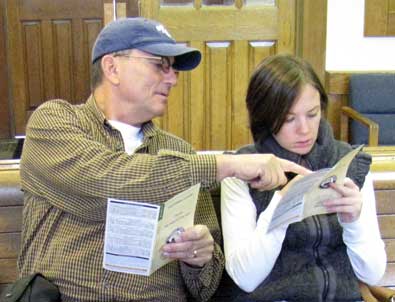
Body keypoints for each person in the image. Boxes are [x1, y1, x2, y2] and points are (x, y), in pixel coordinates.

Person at [18, 18, 309, 302]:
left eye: (173, 70)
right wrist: (226, 164)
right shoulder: (55, 122)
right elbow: (109, 179)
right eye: (160, 65)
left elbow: (206, 287)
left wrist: (199, 257)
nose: (173, 78)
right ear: (112, 67)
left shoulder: (179, 151)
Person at [221, 54, 387, 302]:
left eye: (312, 114)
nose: (305, 130)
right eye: (289, 119)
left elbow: (372, 274)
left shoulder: (350, 162)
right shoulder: (242, 171)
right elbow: (245, 278)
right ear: (265, 117)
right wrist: (281, 208)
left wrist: (354, 222)